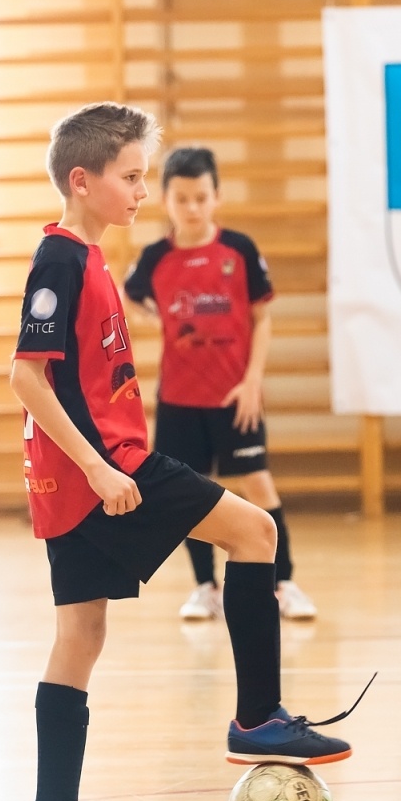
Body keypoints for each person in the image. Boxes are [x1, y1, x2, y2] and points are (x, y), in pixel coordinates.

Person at [9, 103, 352, 801]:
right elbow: (26, 377)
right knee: (255, 531)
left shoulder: (90, 258)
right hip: (109, 467)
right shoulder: (62, 260)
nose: (141, 191)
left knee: (80, 635)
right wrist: (100, 467)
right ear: (82, 179)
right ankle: (258, 716)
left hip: (75, 479)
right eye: (130, 177)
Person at [124, 146, 316, 622]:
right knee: (187, 492)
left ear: (217, 197)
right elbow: (127, 295)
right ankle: (205, 587)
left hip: (235, 397)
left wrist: (252, 382)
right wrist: (152, 319)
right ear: (165, 199)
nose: (192, 208)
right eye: (182, 198)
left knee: (258, 483)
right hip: (178, 400)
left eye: (201, 198)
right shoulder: (155, 258)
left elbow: (262, 318)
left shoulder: (240, 250)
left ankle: (284, 582)